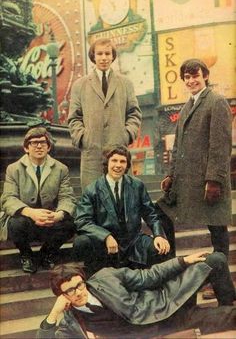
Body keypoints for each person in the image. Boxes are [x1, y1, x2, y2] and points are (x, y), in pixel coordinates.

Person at [37, 252, 236, 338]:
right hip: (167, 326)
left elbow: (148, 276)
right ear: (61, 295)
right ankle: (224, 313)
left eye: (79, 285)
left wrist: (183, 261)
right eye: (69, 291)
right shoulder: (72, 321)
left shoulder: (105, 277)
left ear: (83, 279)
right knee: (231, 316)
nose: (78, 292)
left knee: (215, 259)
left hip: (163, 304)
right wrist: (53, 314)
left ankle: (225, 304)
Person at [158, 58, 232, 258]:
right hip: (187, 182)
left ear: (205, 76)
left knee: (217, 227)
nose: (191, 81)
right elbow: (177, 148)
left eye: (195, 76)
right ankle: (170, 263)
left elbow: (220, 145)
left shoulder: (216, 102)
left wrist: (214, 180)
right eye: (187, 77)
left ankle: (221, 276)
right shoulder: (185, 108)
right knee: (161, 211)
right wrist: (170, 175)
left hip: (207, 181)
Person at [73, 146, 175, 275]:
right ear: (106, 163)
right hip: (105, 244)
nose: (118, 165)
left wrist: (159, 235)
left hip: (133, 240)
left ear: (127, 165)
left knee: (160, 248)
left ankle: (150, 282)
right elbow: (82, 221)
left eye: (122, 161)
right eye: (114, 161)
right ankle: (95, 277)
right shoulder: (92, 189)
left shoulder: (137, 185)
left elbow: (151, 214)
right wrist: (105, 236)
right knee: (81, 242)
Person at [68, 38, 142, 191]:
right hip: (91, 153)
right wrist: (83, 138)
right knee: (92, 198)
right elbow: (74, 117)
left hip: (119, 152)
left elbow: (134, 113)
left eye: (107, 53)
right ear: (93, 56)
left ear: (113, 56)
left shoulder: (125, 83)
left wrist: (126, 135)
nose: (104, 58)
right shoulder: (80, 85)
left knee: (121, 198)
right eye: (99, 54)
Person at [0, 127, 76, 273]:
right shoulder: (13, 169)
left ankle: (46, 254)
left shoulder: (61, 169)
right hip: (27, 221)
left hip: (49, 221)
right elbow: (8, 198)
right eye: (34, 143)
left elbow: (67, 197)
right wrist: (30, 212)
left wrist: (58, 215)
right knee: (15, 223)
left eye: (43, 143)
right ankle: (26, 255)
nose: (39, 146)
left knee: (70, 224)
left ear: (48, 147)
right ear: (26, 148)